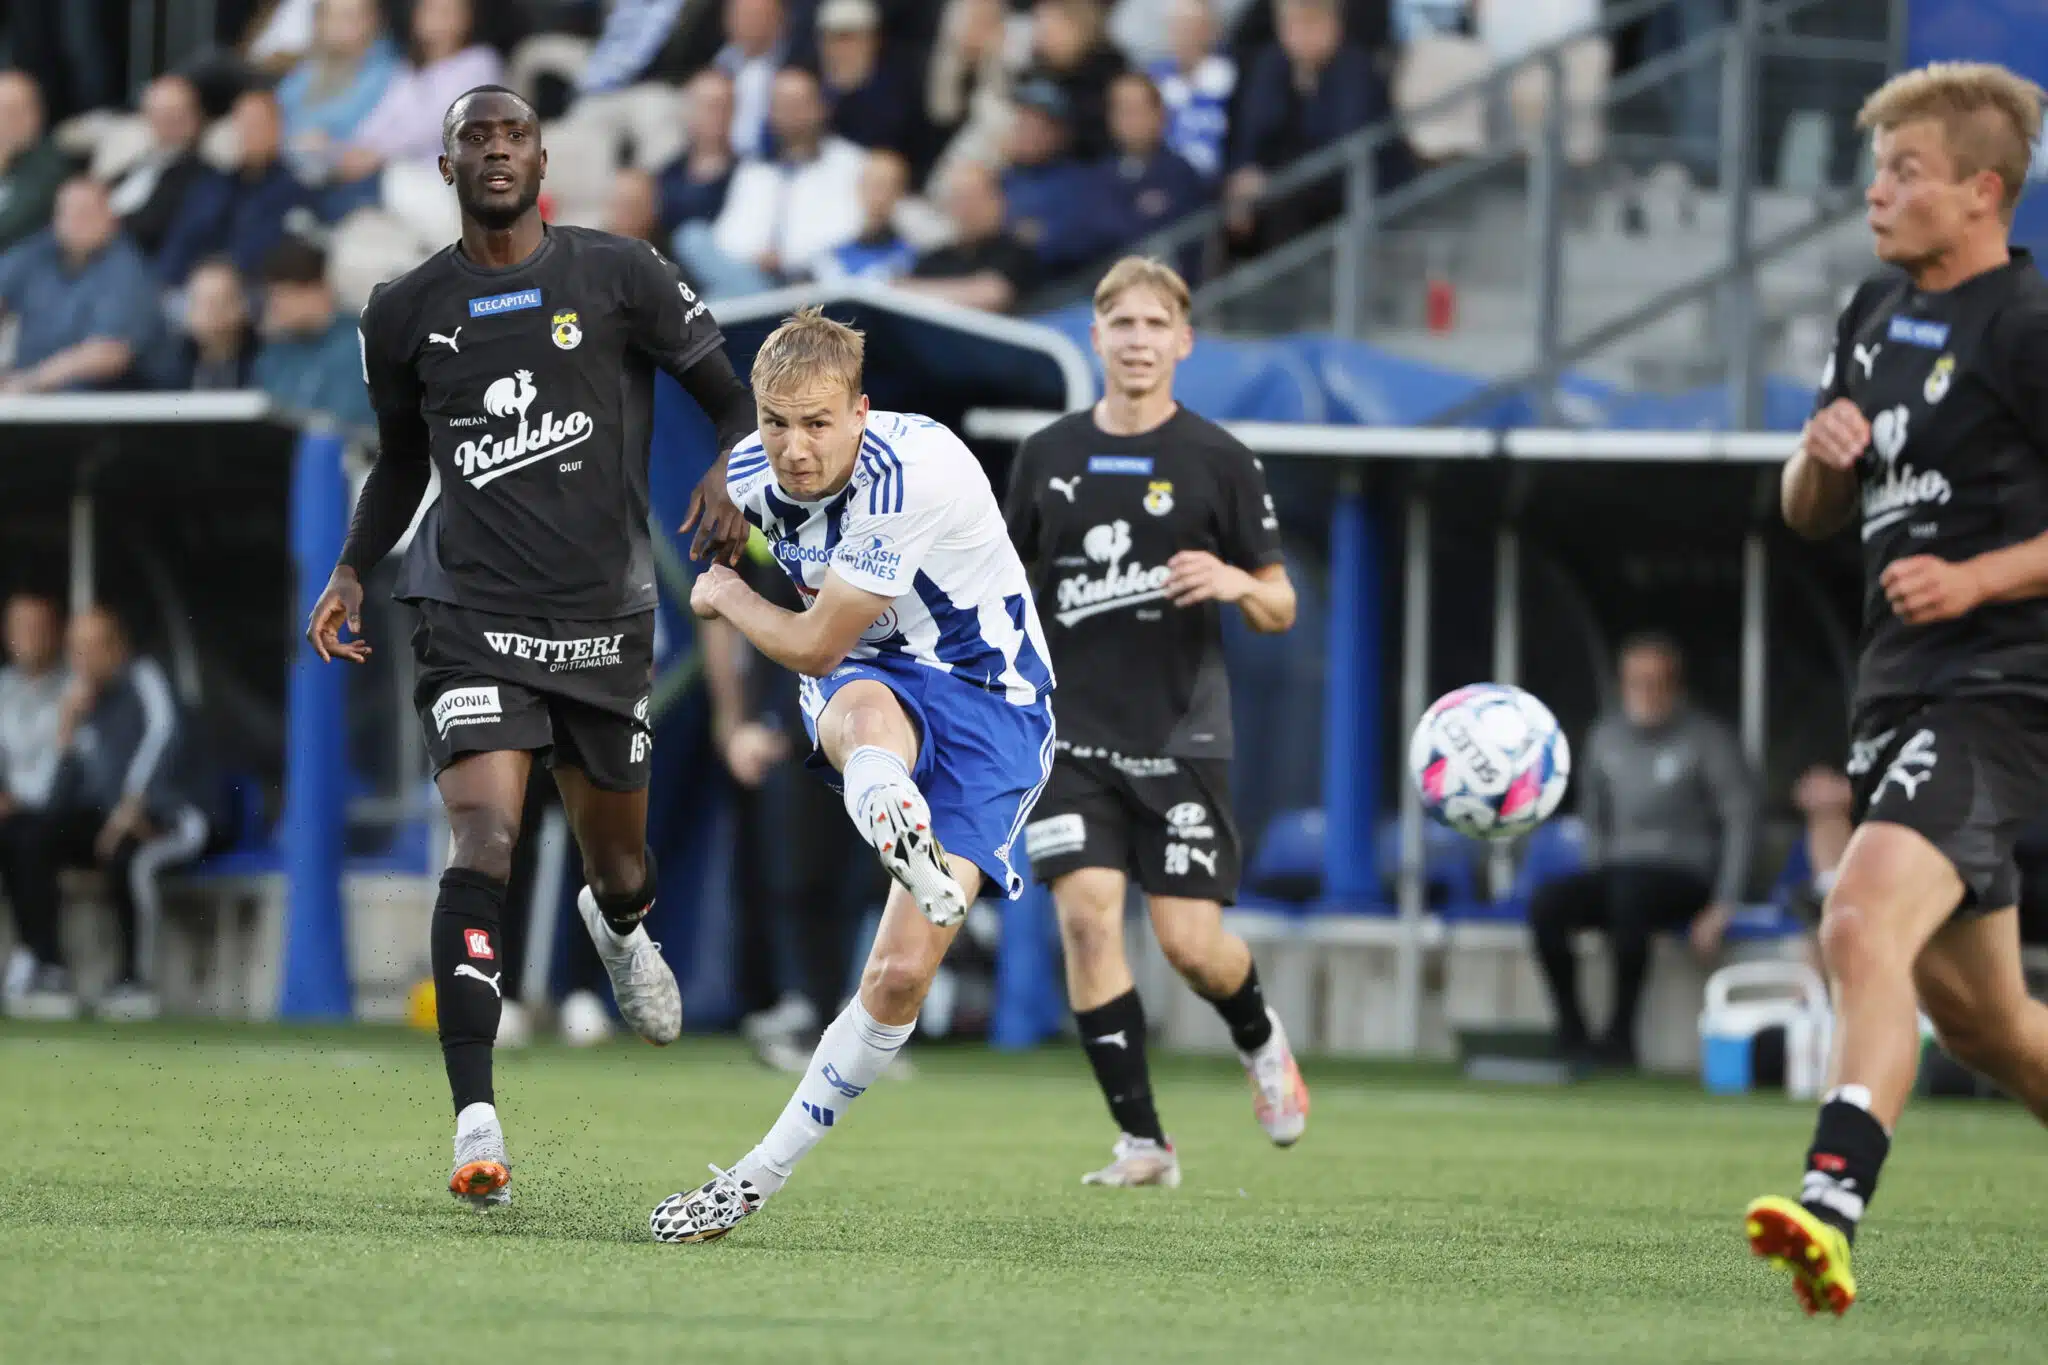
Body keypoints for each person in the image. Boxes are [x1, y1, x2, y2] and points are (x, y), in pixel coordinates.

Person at [304, 84, 754, 1211]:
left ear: (541, 158)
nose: (495, 154)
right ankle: (474, 1121)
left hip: (605, 617)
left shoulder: (621, 272)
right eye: (474, 140)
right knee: (486, 839)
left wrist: (725, 473)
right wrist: (355, 565)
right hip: (463, 610)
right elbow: (403, 460)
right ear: (448, 166)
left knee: (620, 864)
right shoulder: (403, 310)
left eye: (512, 138)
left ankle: (615, 925)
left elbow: (732, 400)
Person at [651, 308, 1056, 1242]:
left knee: (900, 976)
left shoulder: (913, 471)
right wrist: (732, 555)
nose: (794, 448)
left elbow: (808, 634)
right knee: (868, 710)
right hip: (871, 678)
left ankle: (897, 816)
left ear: (861, 411)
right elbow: (818, 637)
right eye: (775, 421)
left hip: (991, 698)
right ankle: (747, 1184)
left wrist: (721, 592)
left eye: (818, 422)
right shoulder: (747, 472)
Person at [1750, 61, 2048, 1316]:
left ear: (1981, 193)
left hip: (2000, 682)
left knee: (1857, 915)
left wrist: (1978, 580)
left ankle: (1827, 1203)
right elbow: (1805, 512)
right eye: (1875, 170)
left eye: (1903, 173)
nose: (1874, 193)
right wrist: (1819, 462)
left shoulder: (2025, 331)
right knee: (1990, 1028)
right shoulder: (1872, 311)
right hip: (1896, 683)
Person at [1004, 257, 1303, 1186]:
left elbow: (1282, 602)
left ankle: (1258, 1037)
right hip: (1070, 741)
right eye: (1121, 325)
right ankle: (1143, 1142)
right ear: (1095, 339)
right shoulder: (1044, 456)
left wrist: (1237, 582)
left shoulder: (1219, 460)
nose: (1138, 341)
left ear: (1183, 341)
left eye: (1154, 326)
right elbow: (1003, 588)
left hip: (1180, 738)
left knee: (1190, 945)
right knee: (1089, 921)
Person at [1528, 633, 1754, 1071]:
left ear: (1676, 686)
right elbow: (1594, 817)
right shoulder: (1605, 737)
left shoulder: (1707, 741)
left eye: (1655, 682)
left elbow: (1740, 820)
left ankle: (1620, 1038)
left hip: (1683, 873)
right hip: (1617, 871)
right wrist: (1596, 869)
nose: (1645, 693)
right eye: (1635, 682)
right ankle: (1572, 1031)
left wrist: (1724, 903)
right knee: (1548, 904)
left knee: (1629, 896)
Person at [33, 607, 212, 1022]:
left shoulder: (144, 679)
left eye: (92, 647)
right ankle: (45, 968)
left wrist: (132, 805)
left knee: (131, 859)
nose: (83, 659)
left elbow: (163, 738)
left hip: (173, 818)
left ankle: (136, 980)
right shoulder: (82, 703)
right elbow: (55, 798)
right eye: (75, 649)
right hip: (108, 821)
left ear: (117, 647)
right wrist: (65, 730)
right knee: (34, 835)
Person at [0, 177, 164, 393]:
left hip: (103, 412)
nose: (76, 223)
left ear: (111, 217)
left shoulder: (127, 269)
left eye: (87, 213)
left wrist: (27, 382)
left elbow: (108, 354)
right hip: (33, 400)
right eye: (67, 213)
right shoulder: (40, 252)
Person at [0, 593, 72, 1018]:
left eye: (38, 627)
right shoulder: (3, 689)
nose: (29, 637)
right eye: (20, 627)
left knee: (28, 839)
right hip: (12, 812)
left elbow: (82, 761)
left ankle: (44, 960)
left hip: (61, 811)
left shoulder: (76, 688)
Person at [251, 235, 375, 425]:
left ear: (320, 289)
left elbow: (350, 425)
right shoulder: (275, 353)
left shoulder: (359, 346)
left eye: (286, 294)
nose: (277, 305)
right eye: (273, 295)